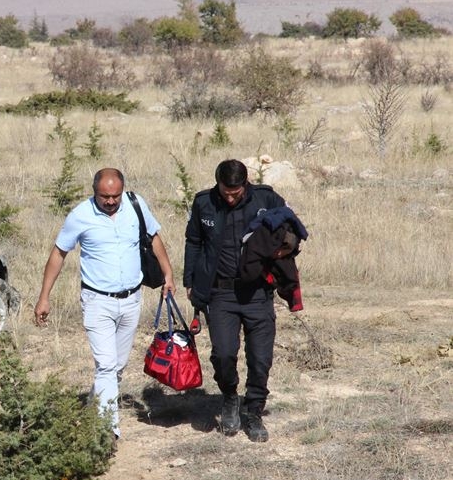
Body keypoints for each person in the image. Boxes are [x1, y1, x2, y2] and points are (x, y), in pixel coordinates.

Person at [34, 168, 176, 441]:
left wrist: (168, 274)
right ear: (94, 192)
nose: (111, 201)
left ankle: (93, 408)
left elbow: (154, 238)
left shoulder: (136, 204)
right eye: (105, 196)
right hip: (97, 301)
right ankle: (106, 430)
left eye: (115, 196)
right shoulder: (80, 216)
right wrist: (44, 297)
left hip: (132, 298)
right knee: (107, 365)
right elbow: (58, 254)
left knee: (117, 366)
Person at [184, 159, 287, 442]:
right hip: (221, 294)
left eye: (236, 192)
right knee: (224, 353)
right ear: (217, 183)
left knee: (260, 358)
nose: (230, 197)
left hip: (257, 293)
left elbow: (291, 228)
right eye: (226, 192)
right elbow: (193, 241)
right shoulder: (204, 203)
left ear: (246, 184)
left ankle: (253, 412)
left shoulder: (267, 198)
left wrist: (284, 250)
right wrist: (190, 280)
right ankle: (229, 396)